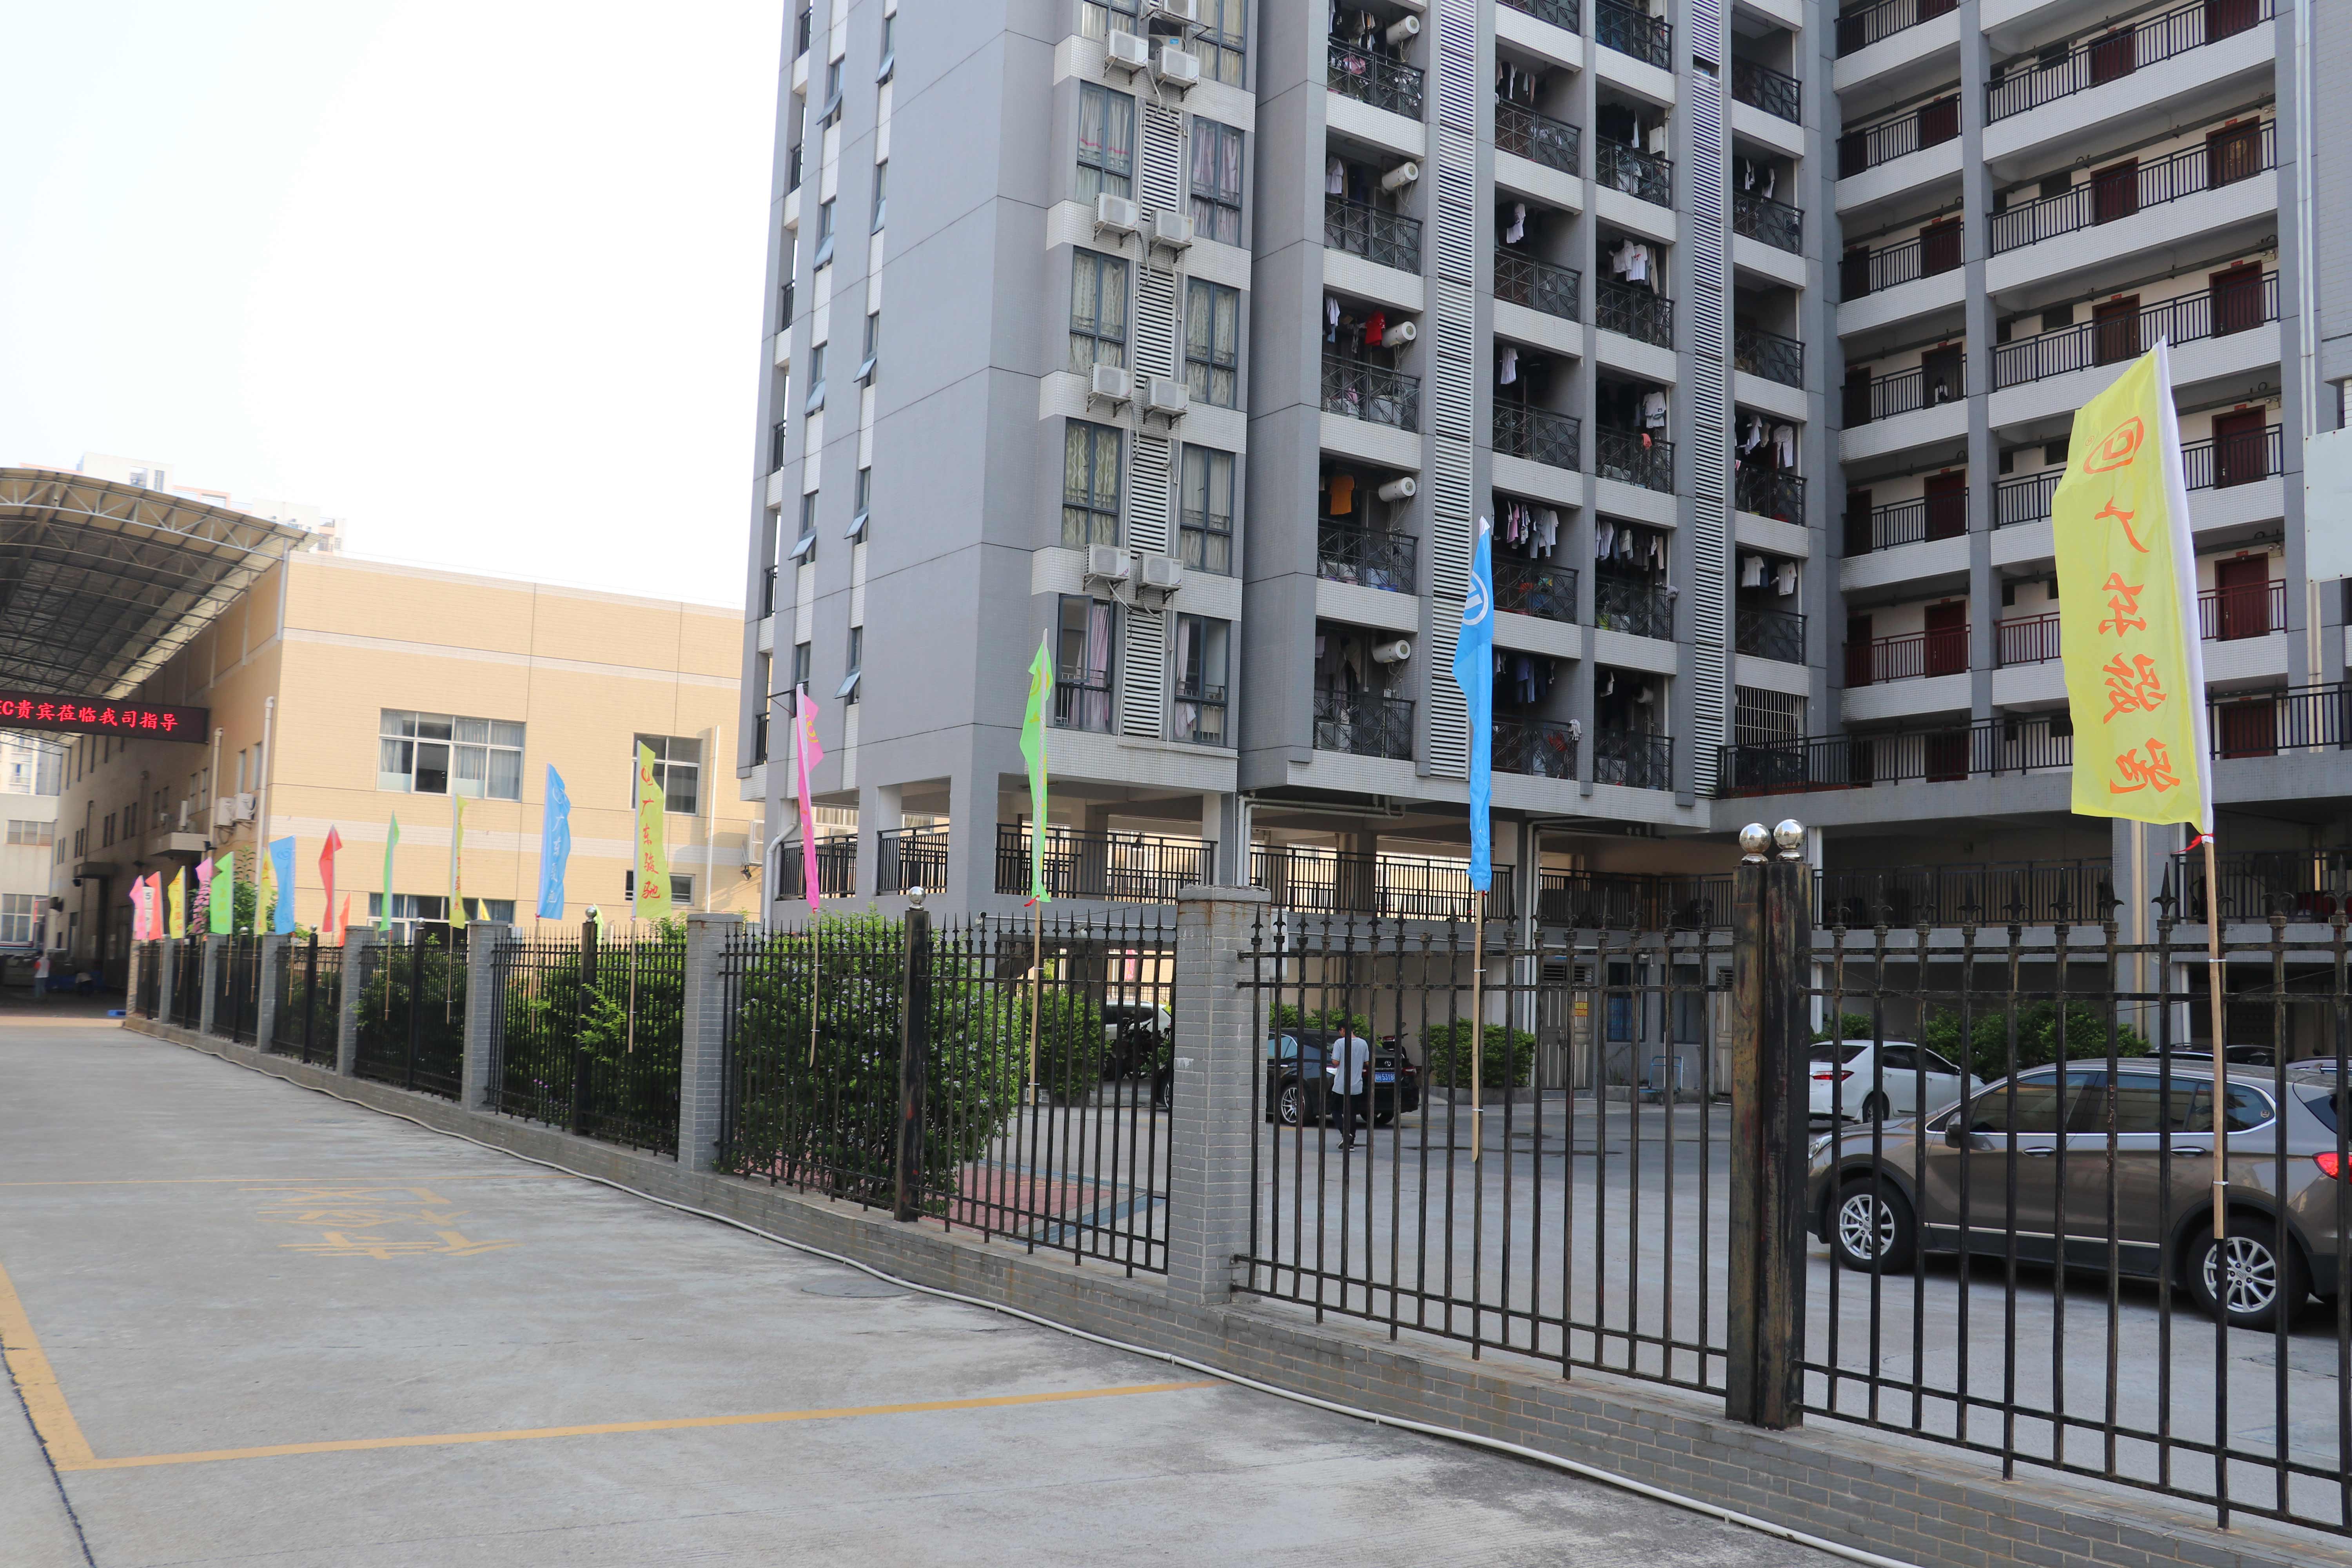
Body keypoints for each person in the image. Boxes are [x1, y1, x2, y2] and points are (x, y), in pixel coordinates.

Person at [1328, 1027, 1372, 1149]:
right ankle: (1351, 1143)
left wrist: (1334, 1057)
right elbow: (1368, 1062)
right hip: (1357, 1085)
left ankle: (1345, 1133)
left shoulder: (1340, 1043)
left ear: (1343, 1030)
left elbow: (1336, 1062)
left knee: (1335, 1110)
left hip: (1342, 1084)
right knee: (1352, 1114)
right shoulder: (1363, 1043)